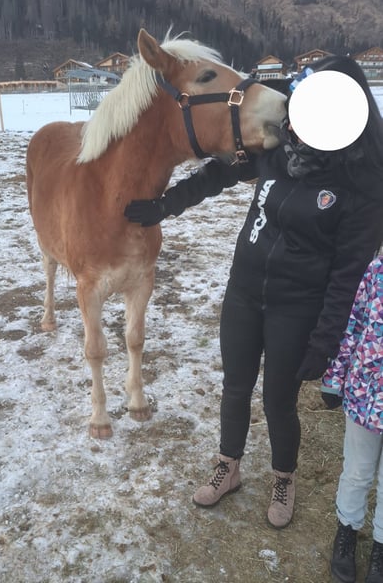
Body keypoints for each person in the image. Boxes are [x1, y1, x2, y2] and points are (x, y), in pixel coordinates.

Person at [124, 55, 383, 528]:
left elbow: (349, 274)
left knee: (278, 401)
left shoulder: (361, 188)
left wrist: (325, 342)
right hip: (244, 291)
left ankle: (283, 478)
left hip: (297, 307)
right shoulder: (279, 149)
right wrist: (165, 206)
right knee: (235, 388)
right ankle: (229, 467)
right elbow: (218, 174)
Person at [322, 255, 383, 583]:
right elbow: (354, 324)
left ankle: (380, 547)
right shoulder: (377, 272)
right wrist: (335, 377)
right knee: (357, 471)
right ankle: (346, 531)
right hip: (366, 393)